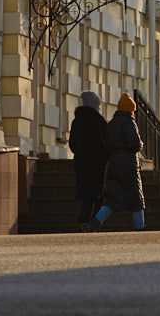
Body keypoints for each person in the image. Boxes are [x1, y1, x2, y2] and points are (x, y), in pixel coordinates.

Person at [88, 92, 146, 231]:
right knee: (136, 198)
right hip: (129, 165)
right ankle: (140, 227)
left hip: (114, 164)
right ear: (130, 110)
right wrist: (141, 145)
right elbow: (135, 144)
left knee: (114, 199)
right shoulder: (129, 122)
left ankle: (94, 222)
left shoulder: (112, 123)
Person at [68, 90, 108, 231]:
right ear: (94, 105)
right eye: (98, 104)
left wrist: (80, 153)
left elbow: (72, 143)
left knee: (87, 195)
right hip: (98, 164)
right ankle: (90, 223)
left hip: (81, 163)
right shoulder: (99, 121)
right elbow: (106, 142)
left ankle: (85, 222)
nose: (100, 107)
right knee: (98, 195)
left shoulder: (77, 121)